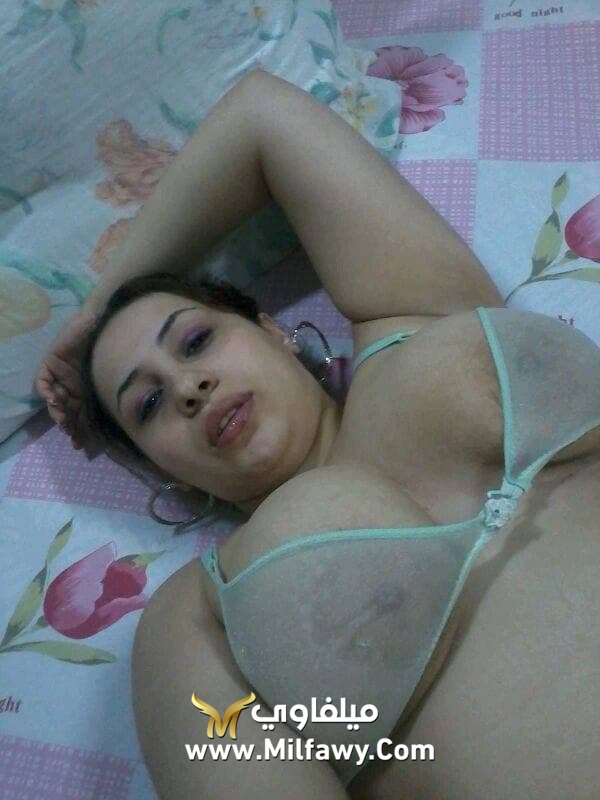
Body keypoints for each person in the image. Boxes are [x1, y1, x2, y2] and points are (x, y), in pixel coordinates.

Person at [35, 67, 600, 800]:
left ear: (270, 330)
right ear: (164, 471)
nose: (187, 387)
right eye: (147, 405)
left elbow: (260, 116)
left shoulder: (413, 316)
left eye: (197, 340)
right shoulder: (197, 621)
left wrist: (96, 311)